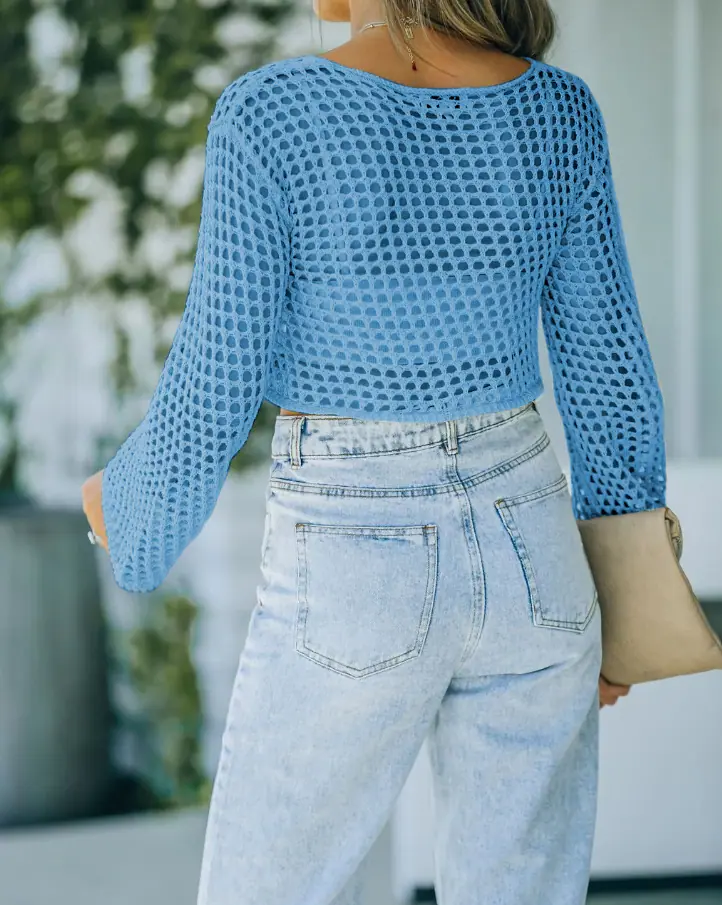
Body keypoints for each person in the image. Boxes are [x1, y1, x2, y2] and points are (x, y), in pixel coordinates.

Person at [82, 0, 666, 901]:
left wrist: (127, 509)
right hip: (531, 545)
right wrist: (630, 602)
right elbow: (608, 369)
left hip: (354, 552)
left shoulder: (272, 112)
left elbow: (219, 366)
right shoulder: (559, 111)